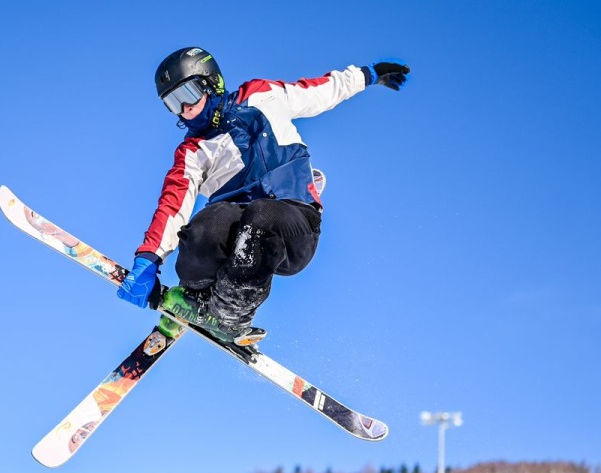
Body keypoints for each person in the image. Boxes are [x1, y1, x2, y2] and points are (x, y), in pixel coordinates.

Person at [116, 47, 411, 345]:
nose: (184, 110)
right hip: (235, 233)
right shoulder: (193, 150)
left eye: (187, 95)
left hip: (293, 226)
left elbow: (321, 92)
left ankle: (231, 314)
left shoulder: (261, 95)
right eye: (172, 103)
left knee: (262, 214)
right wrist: (149, 259)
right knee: (207, 224)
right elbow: (173, 204)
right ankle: (195, 298)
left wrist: (368, 75)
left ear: (210, 82)